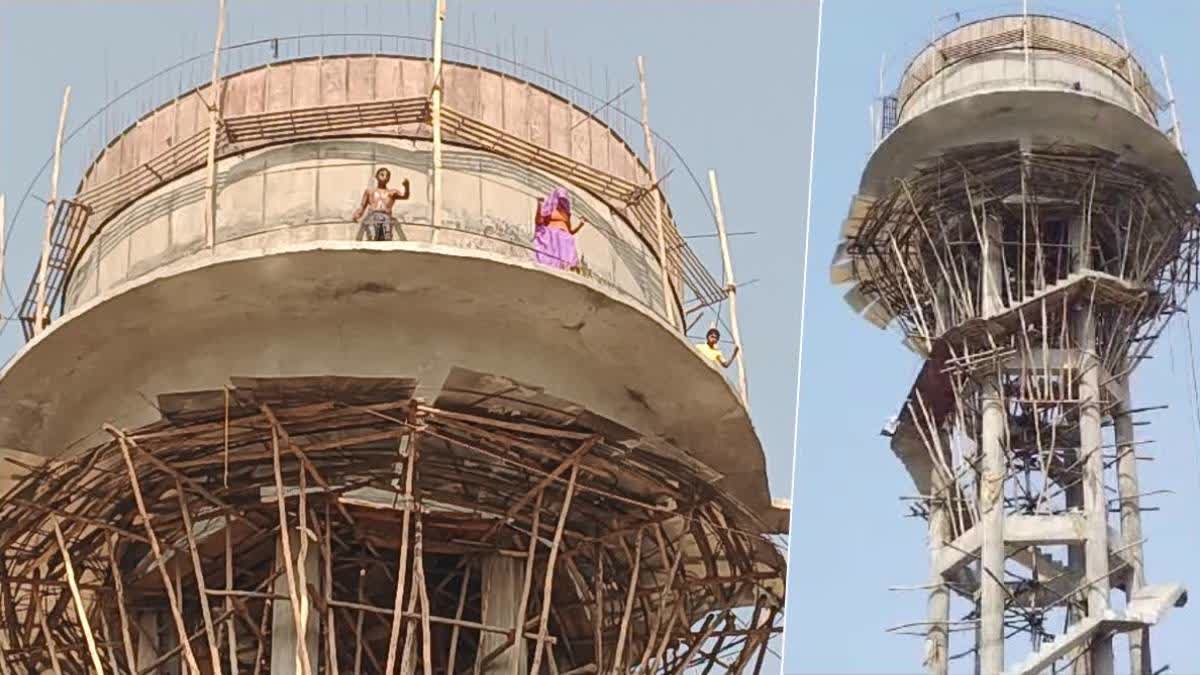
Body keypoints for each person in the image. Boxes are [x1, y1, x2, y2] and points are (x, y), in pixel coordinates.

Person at [533, 187, 586, 270]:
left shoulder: (566, 215)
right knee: (556, 237)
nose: (562, 201)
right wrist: (539, 205)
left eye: (564, 199)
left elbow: (570, 231)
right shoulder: (549, 209)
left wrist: (581, 224)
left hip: (565, 238)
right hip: (553, 234)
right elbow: (539, 221)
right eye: (560, 198)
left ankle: (569, 265)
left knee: (569, 239)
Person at [352, 168, 411, 241]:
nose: (384, 177)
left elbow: (405, 196)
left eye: (387, 176)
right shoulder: (370, 191)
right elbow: (362, 206)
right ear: (376, 176)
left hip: (386, 217)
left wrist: (407, 186)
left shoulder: (392, 192)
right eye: (382, 174)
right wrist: (358, 214)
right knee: (372, 237)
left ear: (388, 179)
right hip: (372, 216)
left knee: (387, 238)